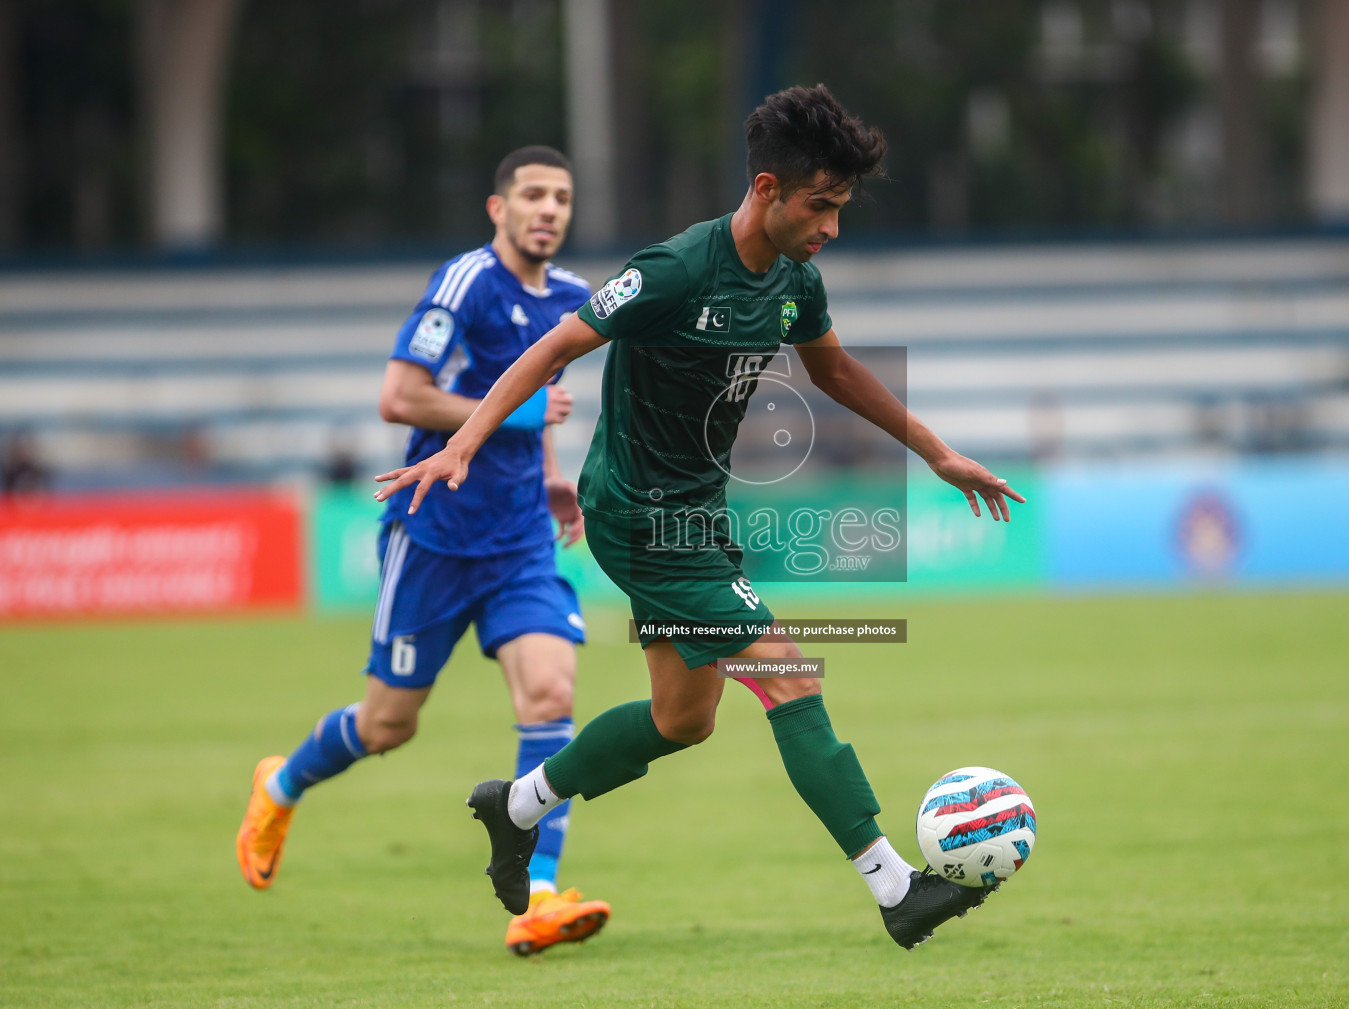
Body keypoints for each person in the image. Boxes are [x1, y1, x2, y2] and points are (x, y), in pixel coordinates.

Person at [374, 87, 1025, 950]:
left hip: (698, 514)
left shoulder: (795, 279)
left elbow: (833, 372)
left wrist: (934, 450)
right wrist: (464, 442)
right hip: (637, 515)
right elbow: (556, 345)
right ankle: (896, 887)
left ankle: (516, 804)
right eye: (820, 206)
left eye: (840, 209)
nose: (831, 227)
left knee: (684, 719)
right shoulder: (677, 269)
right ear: (767, 189)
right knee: (791, 673)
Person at [237, 145, 612, 956]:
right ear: (498, 208)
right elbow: (398, 397)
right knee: (387, 725)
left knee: (550, 693)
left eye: (562, 199)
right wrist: (515, 421)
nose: (549, 210)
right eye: (535, 196)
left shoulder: (578, 298)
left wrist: (549, 474)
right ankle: (280, 785)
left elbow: (540, 410)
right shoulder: (467, 283)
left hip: (518, 539)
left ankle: (537, 897)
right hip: (434, 535)